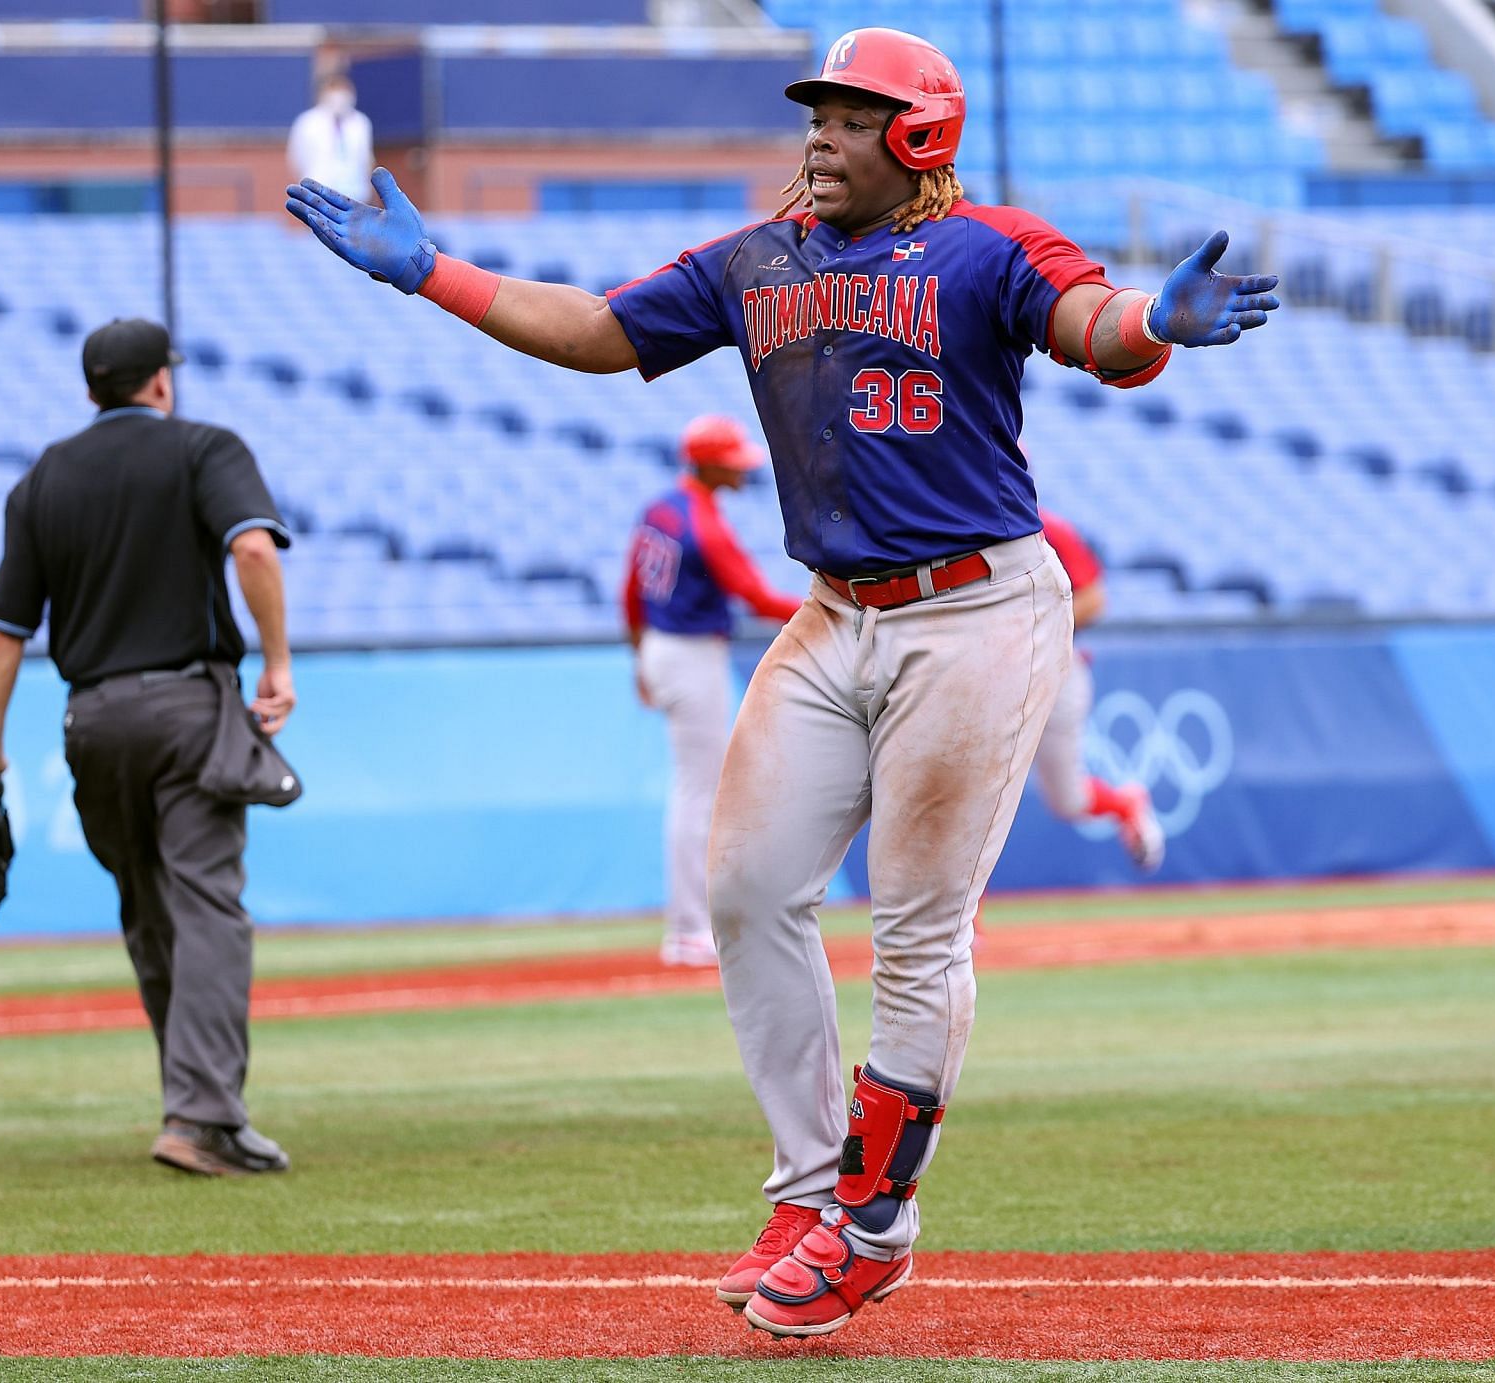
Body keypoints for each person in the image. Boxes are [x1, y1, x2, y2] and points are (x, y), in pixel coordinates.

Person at [285, 24, 1276, 1338]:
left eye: (852, 116)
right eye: (817, 112)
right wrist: (433, 276)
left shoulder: (990, 245)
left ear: (918, 136)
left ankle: (873, 1222)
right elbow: (597, 330)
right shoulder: (762, 257)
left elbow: (1091, 324)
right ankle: (812, 1189)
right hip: (834, 609)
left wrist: (1155, 319)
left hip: (973, 608)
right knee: (745, 887)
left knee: (919, 925)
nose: (820, 132)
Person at [0, 318, 299, 1178]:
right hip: (188, 708)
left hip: (92, 723)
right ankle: (202, 1115)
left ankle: (192, 1103)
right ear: (160, 382)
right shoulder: (202, 447)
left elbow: (2, 634)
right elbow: (252, 545)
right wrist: (279, 661)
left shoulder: (44, 477)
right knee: (208, 906)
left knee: (151, 913)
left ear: (90, 391)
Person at [624, 414, 804, 969]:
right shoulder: (701, 523)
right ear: (705, 463)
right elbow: (753, 593)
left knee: (697, 789)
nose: (740, 471)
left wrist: (638, 658)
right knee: (699, 793)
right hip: (690, 652)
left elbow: (630, 591)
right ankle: (687, 929)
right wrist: (826, 610)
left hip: (660, 645)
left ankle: (690, 924)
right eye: (731, 463)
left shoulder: (661, 509)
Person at [1034, 511, 1165, 871]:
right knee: (973, 793)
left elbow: (1093, 599)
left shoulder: (1047, 527)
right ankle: (967, 925)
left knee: (1068, 799)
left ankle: (1125, 805)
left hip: (1054, 669)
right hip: (989, 675)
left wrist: (1033, 628)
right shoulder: (957, 527)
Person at [286, 69, 374, 205]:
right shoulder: (308, 122)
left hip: (355, 192)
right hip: (319, 191)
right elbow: (297, 157)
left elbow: (365, 158)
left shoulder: (360, 122)